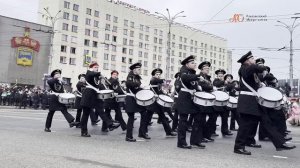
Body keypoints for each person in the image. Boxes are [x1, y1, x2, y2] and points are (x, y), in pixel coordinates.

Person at [234, 51, 295, 155]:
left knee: (267, 122)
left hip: (253, 103)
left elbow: (261, 77)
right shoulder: (244, 69)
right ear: (247, 61)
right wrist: (263, 67)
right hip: (247, 103)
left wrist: (269, 77)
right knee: (245, 126)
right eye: (252, 59)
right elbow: (257, 68)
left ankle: (280, 143)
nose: (254, 60)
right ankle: (238, 147)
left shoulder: (251, 71)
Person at [80, 62, 120, 137]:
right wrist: (99, 73)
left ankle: (110, 125)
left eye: (97, 67)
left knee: (101, 111)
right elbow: (93, 74)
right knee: (85, 114)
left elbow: (99, 86)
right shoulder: (89, 73)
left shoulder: (97, 76)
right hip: (88, 95)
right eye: (95, 67)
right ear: (91, 68)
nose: (96, 68)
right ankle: (83, 131)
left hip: (95, 95)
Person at [176, 55, 205, 149]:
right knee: (183, 121)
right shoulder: (183, 71)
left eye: (194, 62)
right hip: (184, 98)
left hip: (192, 99)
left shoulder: (191, 72)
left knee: (199, 117)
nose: (194, 64)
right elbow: (186, 78)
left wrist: (198, 87)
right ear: (187, 64)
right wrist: (198, 77)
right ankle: (181, 142)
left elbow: (193, 84)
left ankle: (195, 141)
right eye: (192, 63)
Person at [145, 68, 177, 137]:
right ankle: (143, 132)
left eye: (159, 74)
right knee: (147, 117)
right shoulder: (153, 80)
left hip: (157, 101)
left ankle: (169, 132)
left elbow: (159, 90)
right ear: (154, 75)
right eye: (157, 74)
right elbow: (161, 81)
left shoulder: (157, 81)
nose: (158, 75)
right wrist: (166, 81)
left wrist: (164, 92)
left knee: (161, 116)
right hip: (153, 101)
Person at [125, 63, 149, 142]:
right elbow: (128, 84)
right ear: (134, 70)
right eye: (139, 69)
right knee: (131, 117)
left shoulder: (138, 77)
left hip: (137, 99)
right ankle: (128, 136)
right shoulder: (130, 76)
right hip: (130, 99)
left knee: (144, 114)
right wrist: (139, 85)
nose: (140, 70)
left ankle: (142, 133)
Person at [198, 61, 215, 143]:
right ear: (202, 69)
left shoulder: (207, 77)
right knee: (202, 119)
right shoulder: (200, 76)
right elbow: (203, 86)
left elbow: (209, 85)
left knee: (212, 117)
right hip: (203, 99)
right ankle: (202, 136)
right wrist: (211, 88)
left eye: (208, 68)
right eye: (206, 68)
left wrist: (210, 87)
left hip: (208, 99)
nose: (208, 70)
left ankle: (206, 135)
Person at [212, 69, 233, 137]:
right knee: (214, 118)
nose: (220, 77)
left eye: (222, 76)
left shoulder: (226, 82)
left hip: (224, 103)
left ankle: (225, 131)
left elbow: (230, 87)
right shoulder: (216, 81)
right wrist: (224, 81)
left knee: (225, 118)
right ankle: (212, 131)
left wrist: (229, 83)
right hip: (217, 103)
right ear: (217, 76)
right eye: (219, 76)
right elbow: (216, 84)